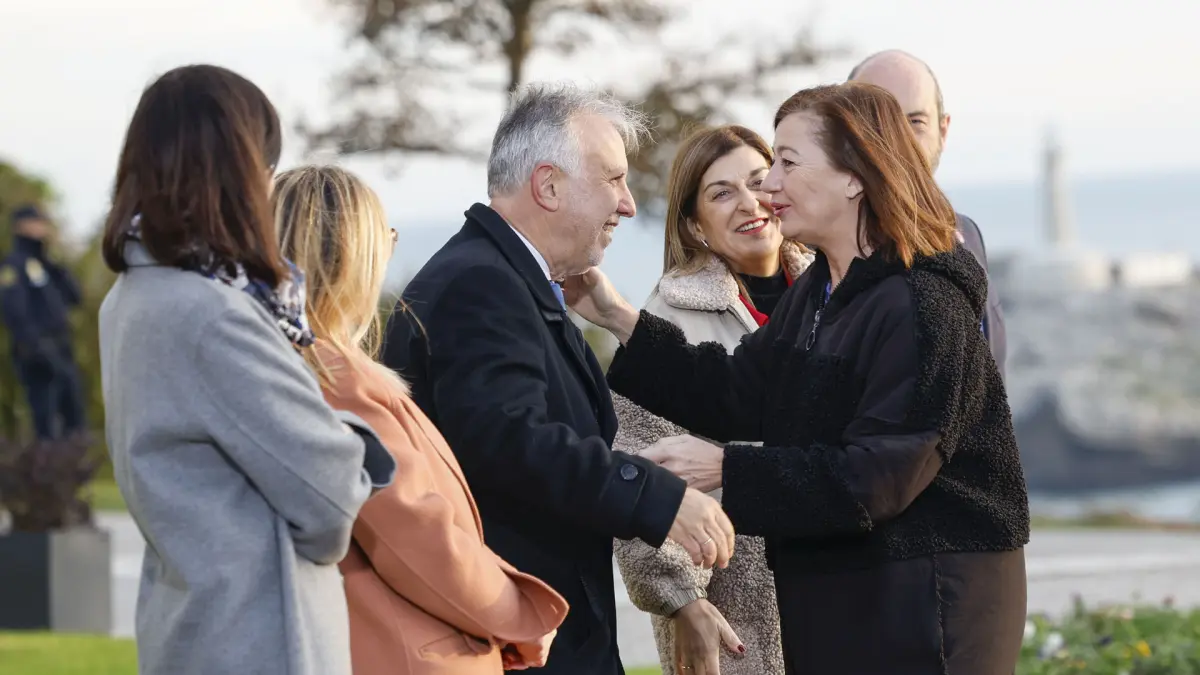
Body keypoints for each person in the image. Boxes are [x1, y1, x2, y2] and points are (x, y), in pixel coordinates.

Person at [568, 82, 1030, 674]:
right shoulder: (820, 291)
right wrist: (615, 315)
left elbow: (879, 477)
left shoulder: (922, 303)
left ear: (854, 176)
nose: (769, 185)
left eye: (787, 162)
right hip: (848, 597)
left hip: (928, 607)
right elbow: (739, 390)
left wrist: (725, 466)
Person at [383, 82, 735, 675]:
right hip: (516, 643)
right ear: (548, 186)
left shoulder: (506, 279)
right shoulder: (483, 285)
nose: (628, 204)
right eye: (613, 179)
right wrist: (654, 496)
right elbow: (510, 440)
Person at [97, 65, 395, 675]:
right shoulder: (213, 314)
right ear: (238, 173)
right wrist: (354, 440)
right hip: (258, 640)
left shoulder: (131, 297)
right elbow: (331, 499)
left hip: (191, 628)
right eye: (266, 165)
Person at [273, 165, 569, 675]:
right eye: (385, 240)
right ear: (353, 258)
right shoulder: (336, 379)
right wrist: (519, 614)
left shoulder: (300, 373)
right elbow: (416, 536)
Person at [612, 125, 813, 675]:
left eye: (758, 181)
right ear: (694, 225)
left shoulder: (833, 293)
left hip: (842, 595)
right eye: (722, 193)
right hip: (740, 620)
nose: (750, 203)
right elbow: (643, 467)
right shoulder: (666, 321)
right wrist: (682, 599)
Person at [849, 50, 1007, 377]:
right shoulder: (815, 252)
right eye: (876, 121)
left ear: (943, 131)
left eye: (915, 122)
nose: (899, 140)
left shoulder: (967, 235)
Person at [0, 204, 86, 440]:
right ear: (21, 226)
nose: (43, 228)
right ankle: (46, 459)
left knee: (74, 417)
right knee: (46, 419)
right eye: (37, 222)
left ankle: (73, 458)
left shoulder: (47, 264)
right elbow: (14, 311)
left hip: (62, 348)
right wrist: (34, 346)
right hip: (36, 352)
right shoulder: (14, 265)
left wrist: (56, 260)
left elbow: (75, 297)